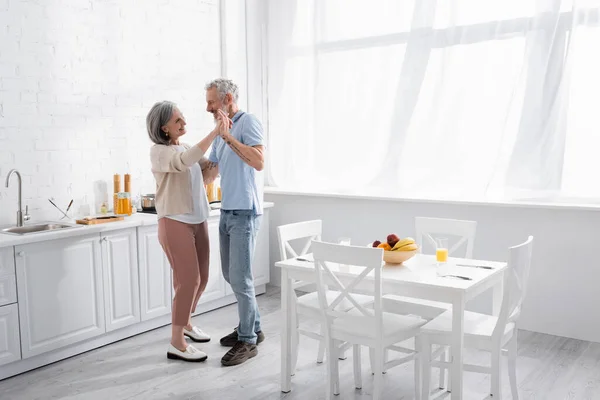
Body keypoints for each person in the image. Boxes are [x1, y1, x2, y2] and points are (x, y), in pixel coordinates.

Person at [147, 100, 229, 362]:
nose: (184, 124)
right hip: (174, 221)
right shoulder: (160, 152)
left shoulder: (184, 147)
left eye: (183, 118)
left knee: (202, 279)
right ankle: (176, 342)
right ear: (164, 129)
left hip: (198, 219)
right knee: (188, 282)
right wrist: (214, 132)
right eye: (178, 121)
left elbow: (207, 170)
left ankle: (186, 323)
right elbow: (184, 161)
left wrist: (227, 143)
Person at [202, 78, 266, 366]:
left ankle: (248, 341)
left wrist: (227, 136)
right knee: (231, 275)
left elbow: (258, 161)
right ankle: (254, 327)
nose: (207, 107)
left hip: (245, 212)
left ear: (227, 99)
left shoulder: (247, 122)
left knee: (241, 278)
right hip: (227, 211)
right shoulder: (219, 131)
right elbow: (211, 170)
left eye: (211, 101)